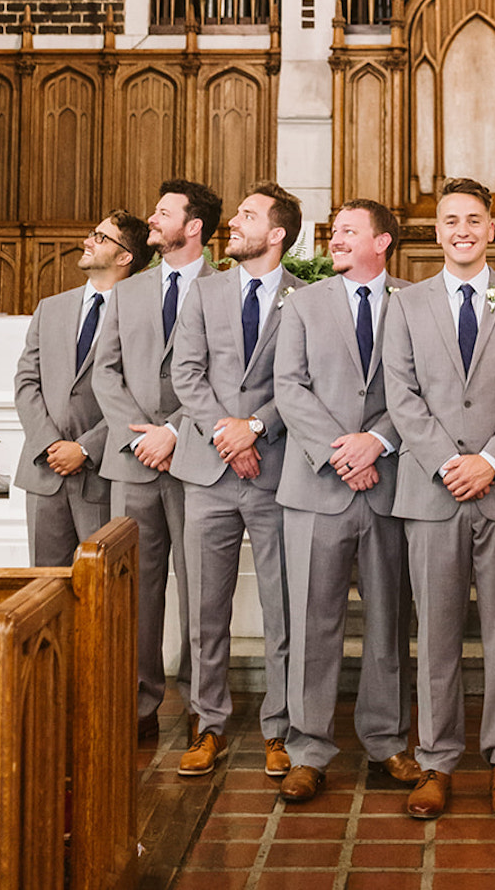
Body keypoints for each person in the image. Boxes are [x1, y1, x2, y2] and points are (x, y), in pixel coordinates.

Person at [382, 177, 495, 822]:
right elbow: (401, 394)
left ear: (491, 230)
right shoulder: (408, 303)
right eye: (450, 219)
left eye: (474, 219)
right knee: (438, 632)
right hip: (431, 490)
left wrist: (490, 460)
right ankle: (436, 760)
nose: (462, 229)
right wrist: (446, 461)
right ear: (435, 230)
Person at [273, 198, 418, 803]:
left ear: (382, 242)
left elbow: (423, 389)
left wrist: (376, 441)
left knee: (389, 619)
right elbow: (289, 385)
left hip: (388, 486)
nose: (335, 239)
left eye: (350, 231)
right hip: (317, 485)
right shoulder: (303, 303)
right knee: (312, 621)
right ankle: (308, 747)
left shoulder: (416, 301)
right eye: (334, 231)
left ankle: (387, 740)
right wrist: (339, 452)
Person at [171, 181, 303, 778]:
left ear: (276, 234)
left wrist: (256, 428)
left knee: (282, 606)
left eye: (249, 216)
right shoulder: (205, 293)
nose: (236, 223)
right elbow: (187, 372)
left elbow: (303, 383)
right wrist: (228, 434)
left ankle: (280, 727)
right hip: (208, 470)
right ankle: (209, 724)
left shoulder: (307, 299)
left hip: (277, 472)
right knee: (206, 606)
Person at [92, 178, 222, 742]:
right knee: (137, 590)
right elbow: (105, 371)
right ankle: (141, 701)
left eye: (163, 211)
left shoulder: (226, 289)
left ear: (192, 227)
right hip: (133, 461)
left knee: (201, 587)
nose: (152, 217)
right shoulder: (128, 292)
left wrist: (175, 432)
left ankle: (202, 704)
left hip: (196, 460)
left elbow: (225, 378)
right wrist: (141, 435)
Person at [14, 211, 150, 566]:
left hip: (102, 476)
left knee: (103, 592)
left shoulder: (143, 315)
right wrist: (50, 443)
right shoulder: (51, 308)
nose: (88, 241)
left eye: (101, 238)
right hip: (45, 471)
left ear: (125, 257)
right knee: (43, 593)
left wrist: (86, 449)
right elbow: (26, 382)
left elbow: (141, 398)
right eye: (93, 233)